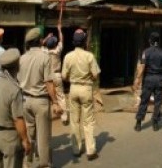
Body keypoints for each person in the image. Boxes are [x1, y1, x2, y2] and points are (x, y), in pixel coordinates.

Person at [17, 27, 62, 167]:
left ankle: (27, 162)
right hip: (40, 101)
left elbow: (18, 80)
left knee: (29, 134)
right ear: (40, 41)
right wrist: (55, 101)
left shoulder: (21, 58)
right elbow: (49, 82)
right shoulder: (44, 57)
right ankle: (44, 164)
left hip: (25, 100)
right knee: (43, 136)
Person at [0, 48, 31, 168]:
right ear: (17, 66)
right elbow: (18, 119)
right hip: (10, 137)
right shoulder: (14, 89)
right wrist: (25, 140)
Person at [62, 29, 100, 161]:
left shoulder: (68, 56)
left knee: (74, 121)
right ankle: (90, 150)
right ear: (84, 42)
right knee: (88, 121)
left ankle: (76, 149)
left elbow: (63, 76)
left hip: (73, 89)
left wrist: (73, 79)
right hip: (86, 89)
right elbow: (95, 75)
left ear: (74, 42)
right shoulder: (89, 56)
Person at [133, 31, 162, 132]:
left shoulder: (146, 52)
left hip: (148, 79)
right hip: (159, 80)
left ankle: (138, 123)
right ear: (159, 41)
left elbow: (142, 66)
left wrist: (137, 79)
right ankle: (155, 123)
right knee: (158, 102)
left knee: (144, 101)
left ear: (150, 41)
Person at [43, 23, 69, 125]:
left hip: (47, 76)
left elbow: (41, 44)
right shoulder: (58, 51)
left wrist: (47, 37)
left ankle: (49, 115)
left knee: (48, 95)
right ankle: (64, 116)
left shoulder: (44, 51)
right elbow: (62, 40)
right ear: (55, 44)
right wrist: (59, 30)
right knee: (60, 95)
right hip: (57, 75)